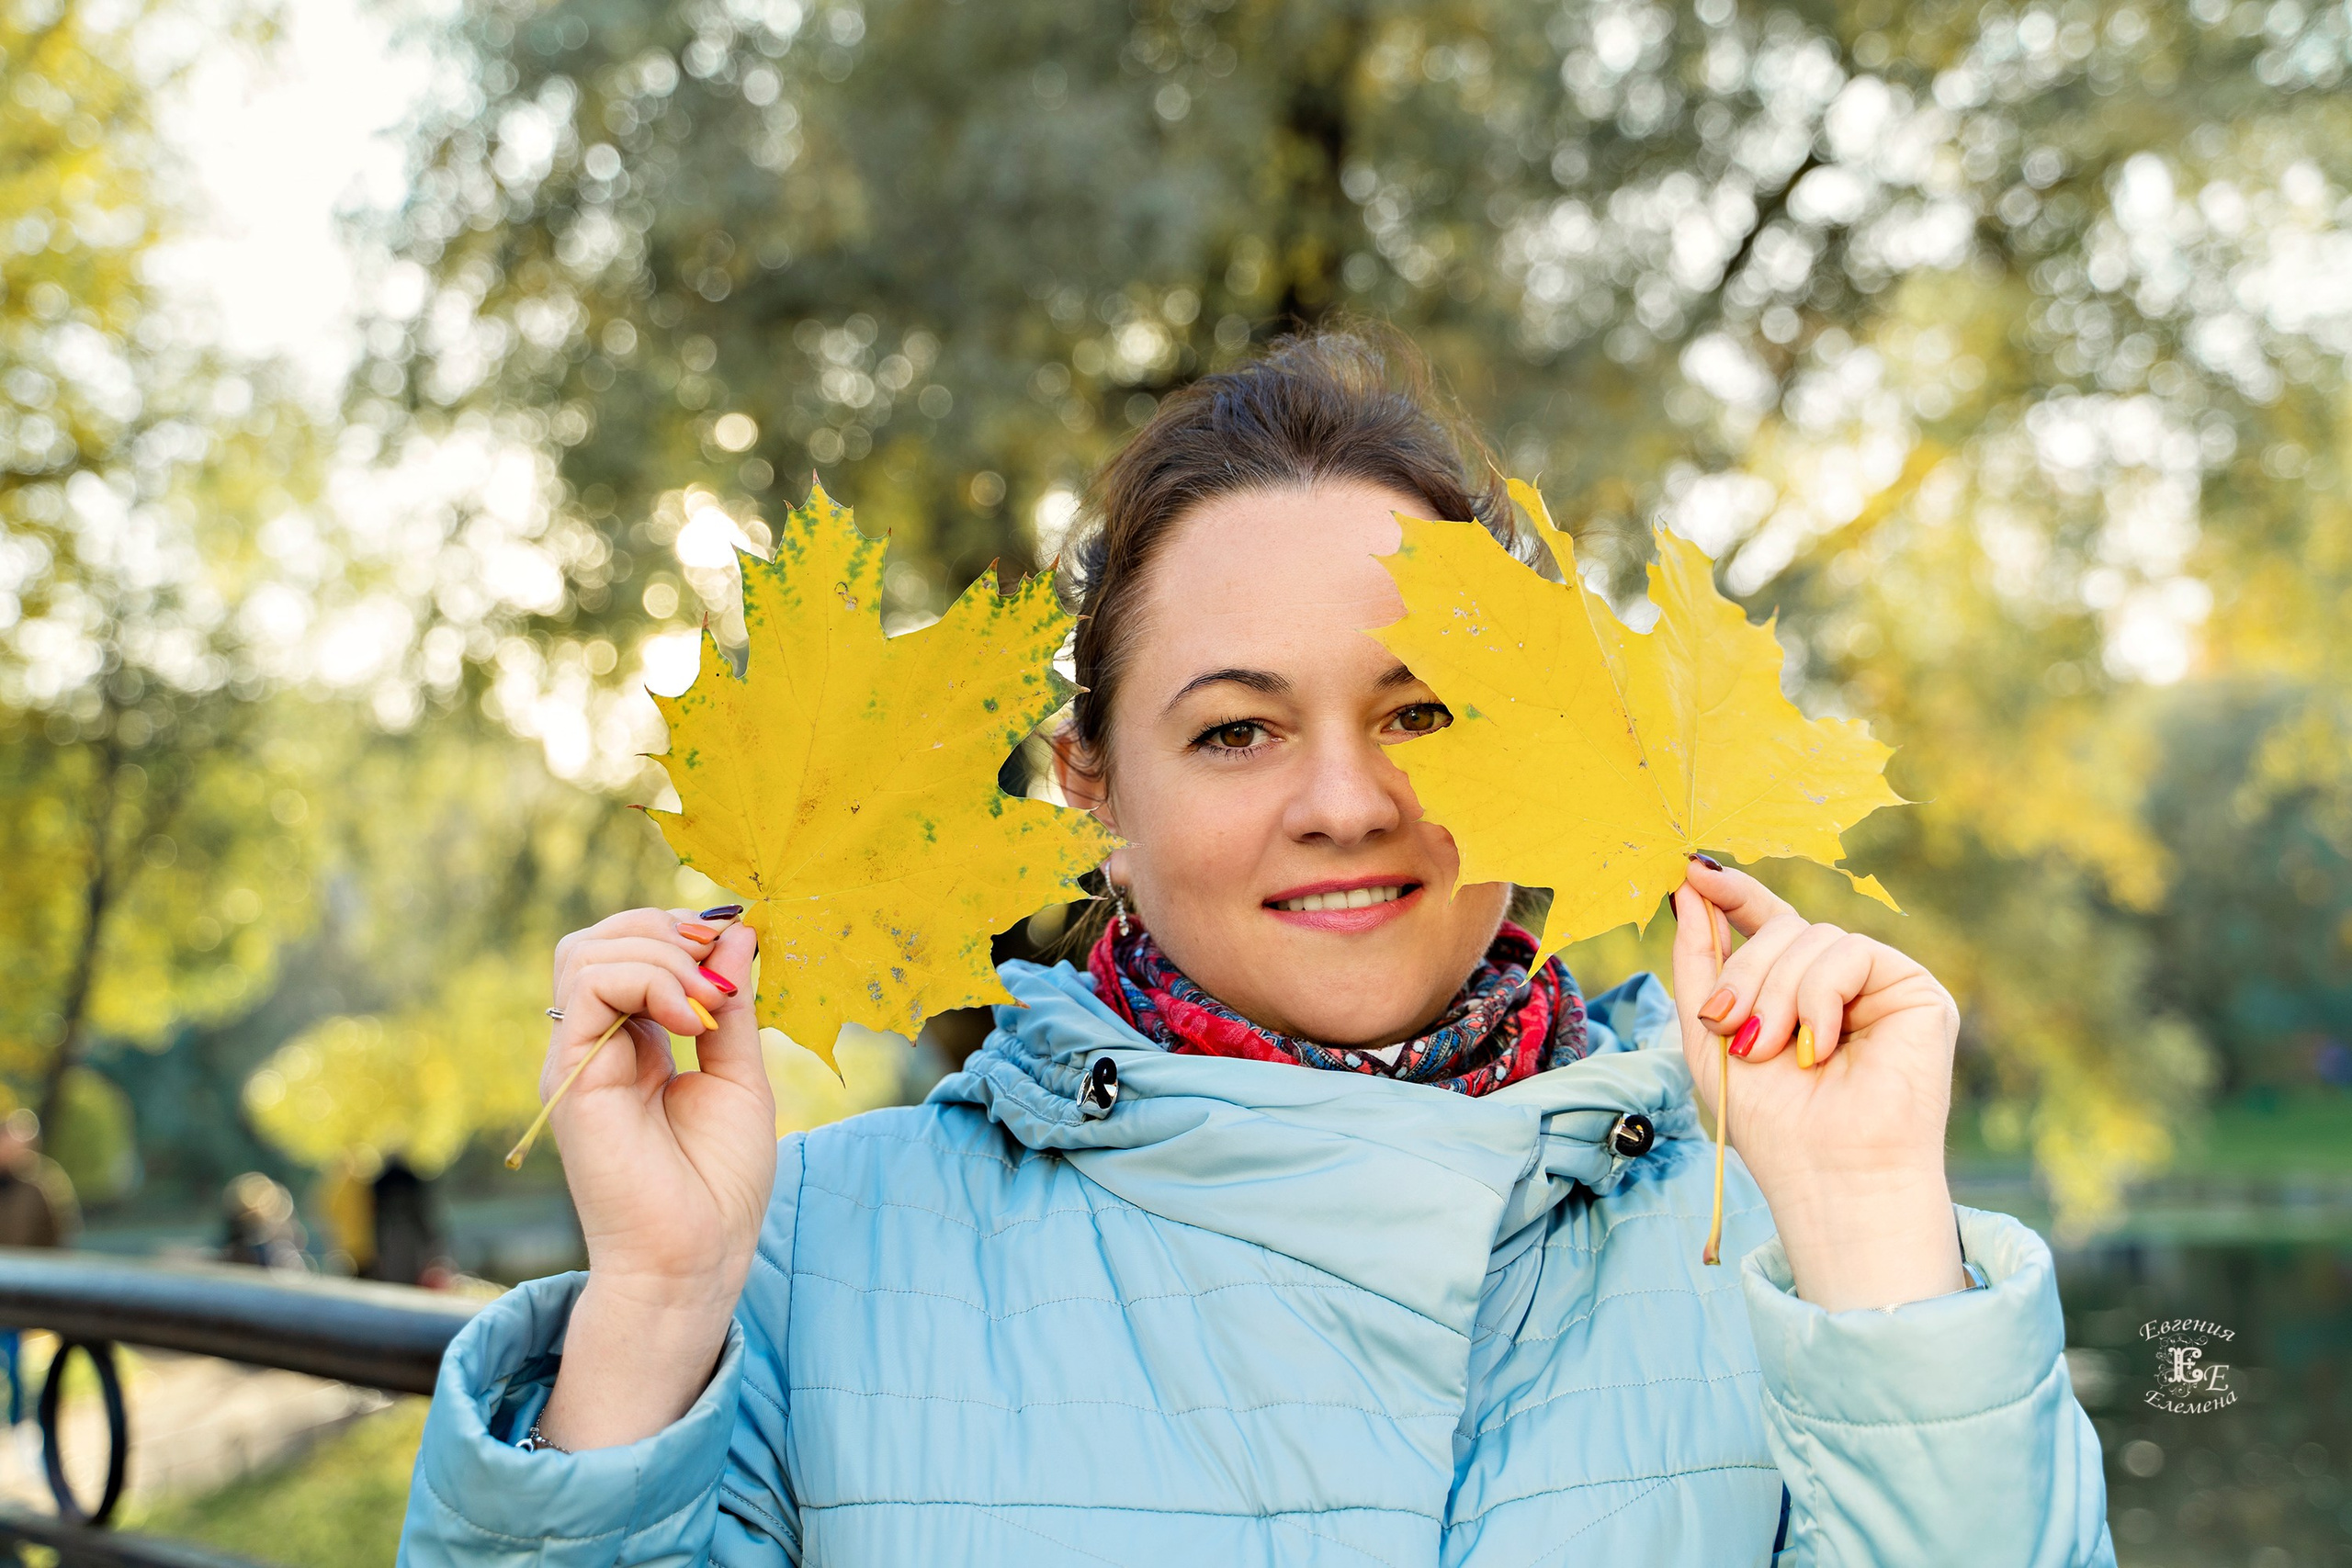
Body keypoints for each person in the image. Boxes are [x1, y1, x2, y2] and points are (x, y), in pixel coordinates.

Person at [400, 333, 2113, 1566]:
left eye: (1422, 712)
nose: (1348, 803)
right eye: (1234, 732)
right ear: (1093, 785)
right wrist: (658, 1303)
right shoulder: (800, 1255)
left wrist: (1884, 1253)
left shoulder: (1780, 1230)